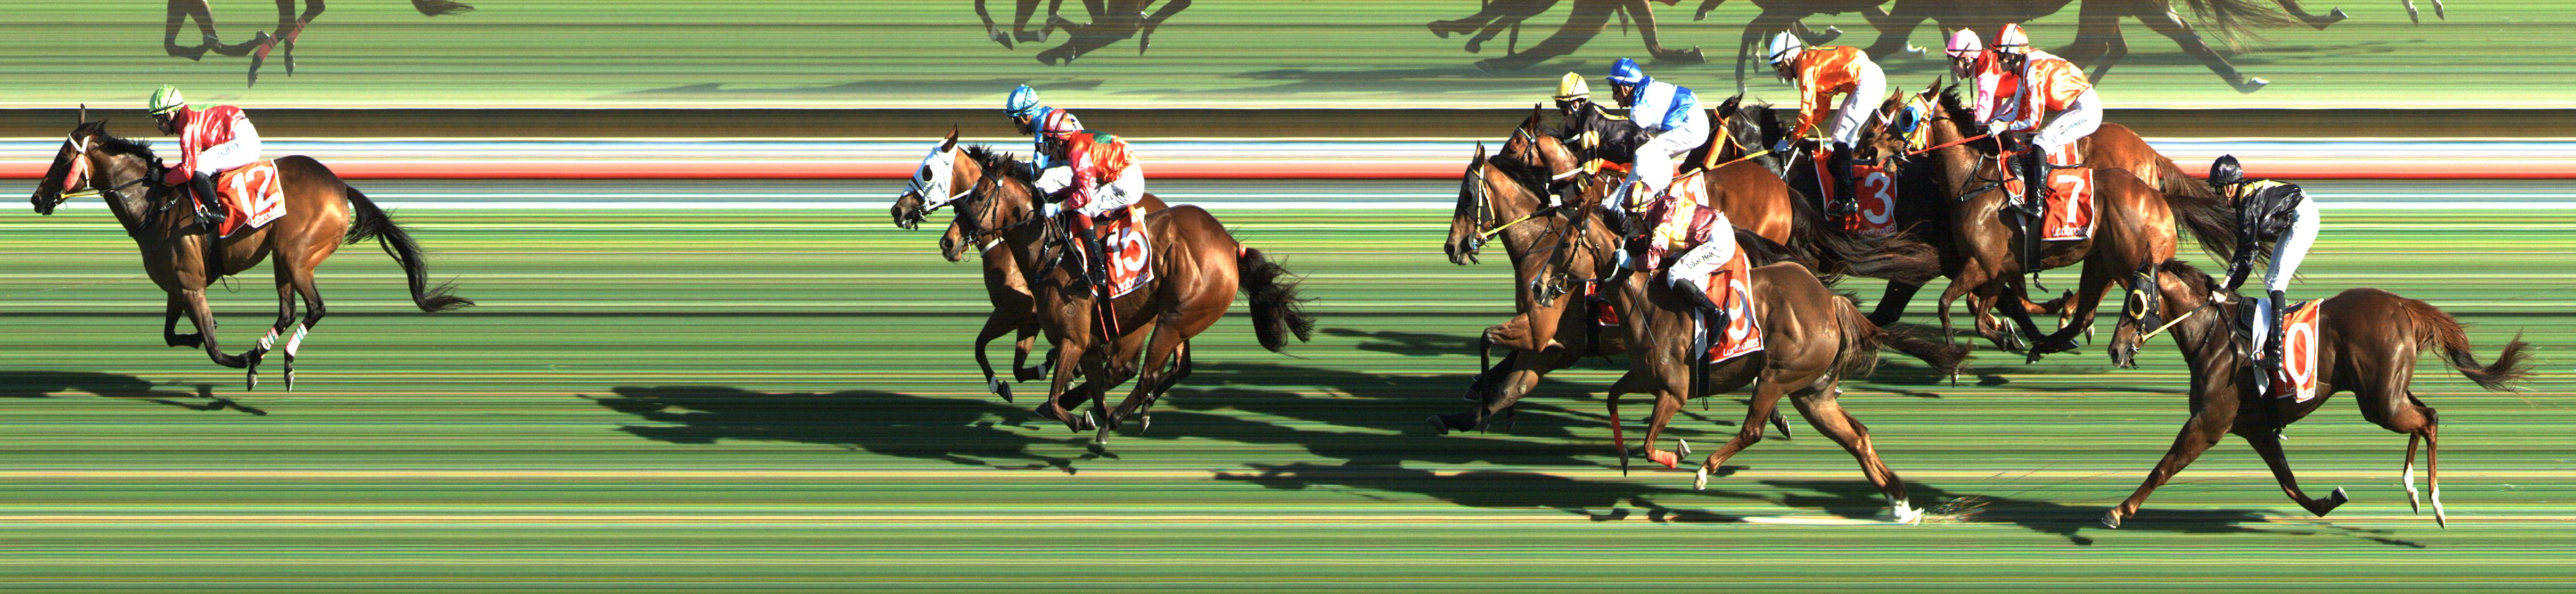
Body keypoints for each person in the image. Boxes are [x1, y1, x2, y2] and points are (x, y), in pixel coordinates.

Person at [1979, 24, 2100, 274]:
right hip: (2075, 107)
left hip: (2086, 111)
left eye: (2001, 55)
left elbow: (2033, 121)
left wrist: (2005, 126)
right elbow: (2016, 110)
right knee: (2037, 140)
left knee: (2041, 141)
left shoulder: (2032, 71)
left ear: (2013, 53)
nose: (1999, 60)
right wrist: (1994, 123)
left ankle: (2035, 203)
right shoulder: (2023, 68)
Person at [2208, 155, 2319, 380]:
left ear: (2228, 188)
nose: (2217, 197)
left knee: (2276, 282)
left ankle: (2277, 352)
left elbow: (2248, 256)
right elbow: (2244, 249)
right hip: (2299, 214)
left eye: (2218, 190)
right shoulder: (2245, 201)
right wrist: (2226, 284)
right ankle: (2277, 343)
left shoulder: (2248, 205)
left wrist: (2227, 290)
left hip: (2303, 217)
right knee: (2271, 280)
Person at [1764, 31, 1885, 217]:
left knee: (1840, 135)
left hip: (1869, 81)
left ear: (1788, 59)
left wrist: (1791, 141)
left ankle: (1848, 198)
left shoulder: (1806, 69)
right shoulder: (1811, 63)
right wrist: (1796, 131)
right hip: (1868, 79)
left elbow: (1806, 112)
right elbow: (1821, 111)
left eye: (1779, 66)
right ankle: (1847, 186)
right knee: (1835, 130)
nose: (1779, 73)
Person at [1029, 110, 1146, 298]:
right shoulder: (1076, 142)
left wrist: (1058, 207)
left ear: (1060, 142)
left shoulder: (1076, 152)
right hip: (1121, 172)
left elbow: (1085, 194)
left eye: (1050, 144)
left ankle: (1098, 270)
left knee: (1082, 208)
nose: (1049, 151)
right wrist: (1056, 194)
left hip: (1127, 181)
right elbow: (1078, 183)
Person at [151, 85, 261, 274]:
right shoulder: (187, 120)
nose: (158, 126)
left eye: (159, 119)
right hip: (240, 133)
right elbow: (187, 165)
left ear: (170, 114)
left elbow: (187, 171)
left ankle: (216, 210)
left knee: (200, 167)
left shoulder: (188, 129)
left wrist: (163, 177)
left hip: (243, 141)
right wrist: (168, 173)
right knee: (201, 164)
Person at [1617, 172, 1741, 340]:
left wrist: (1628, 262)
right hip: (1709, 235)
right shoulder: (1659, 211)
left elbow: (1651, 262)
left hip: (1718, 241)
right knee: (1671, 263)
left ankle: (1716, 315)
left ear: (1644, 213)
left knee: (1674, 276)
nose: (1630, 220)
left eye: (1632, 216)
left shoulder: (1662, 219)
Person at [1603, 57, 1707, 216]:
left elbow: (1631, 147)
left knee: (1646, 157)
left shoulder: (1640, 109)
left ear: (1624, 88)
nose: (1613, 96)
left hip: (1693, 126)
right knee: (1649, 154)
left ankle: (1638, 204)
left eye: (1614, 89)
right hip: (1693, 118)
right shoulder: (1643, 91)